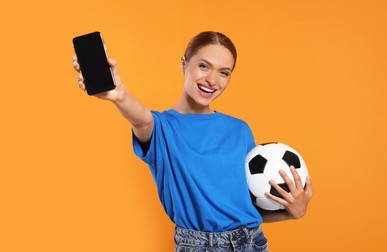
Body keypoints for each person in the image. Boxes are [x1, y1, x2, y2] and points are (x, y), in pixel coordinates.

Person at [72, 31, 313, 252]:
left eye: (223, 72)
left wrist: (292, 213)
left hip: (251, 243)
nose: (212, 79)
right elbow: (142, 120)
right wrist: (119, 95)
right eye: (204, 66)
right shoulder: (162, 128)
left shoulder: (239, 130)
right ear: (184, 64)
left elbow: (247, 206)